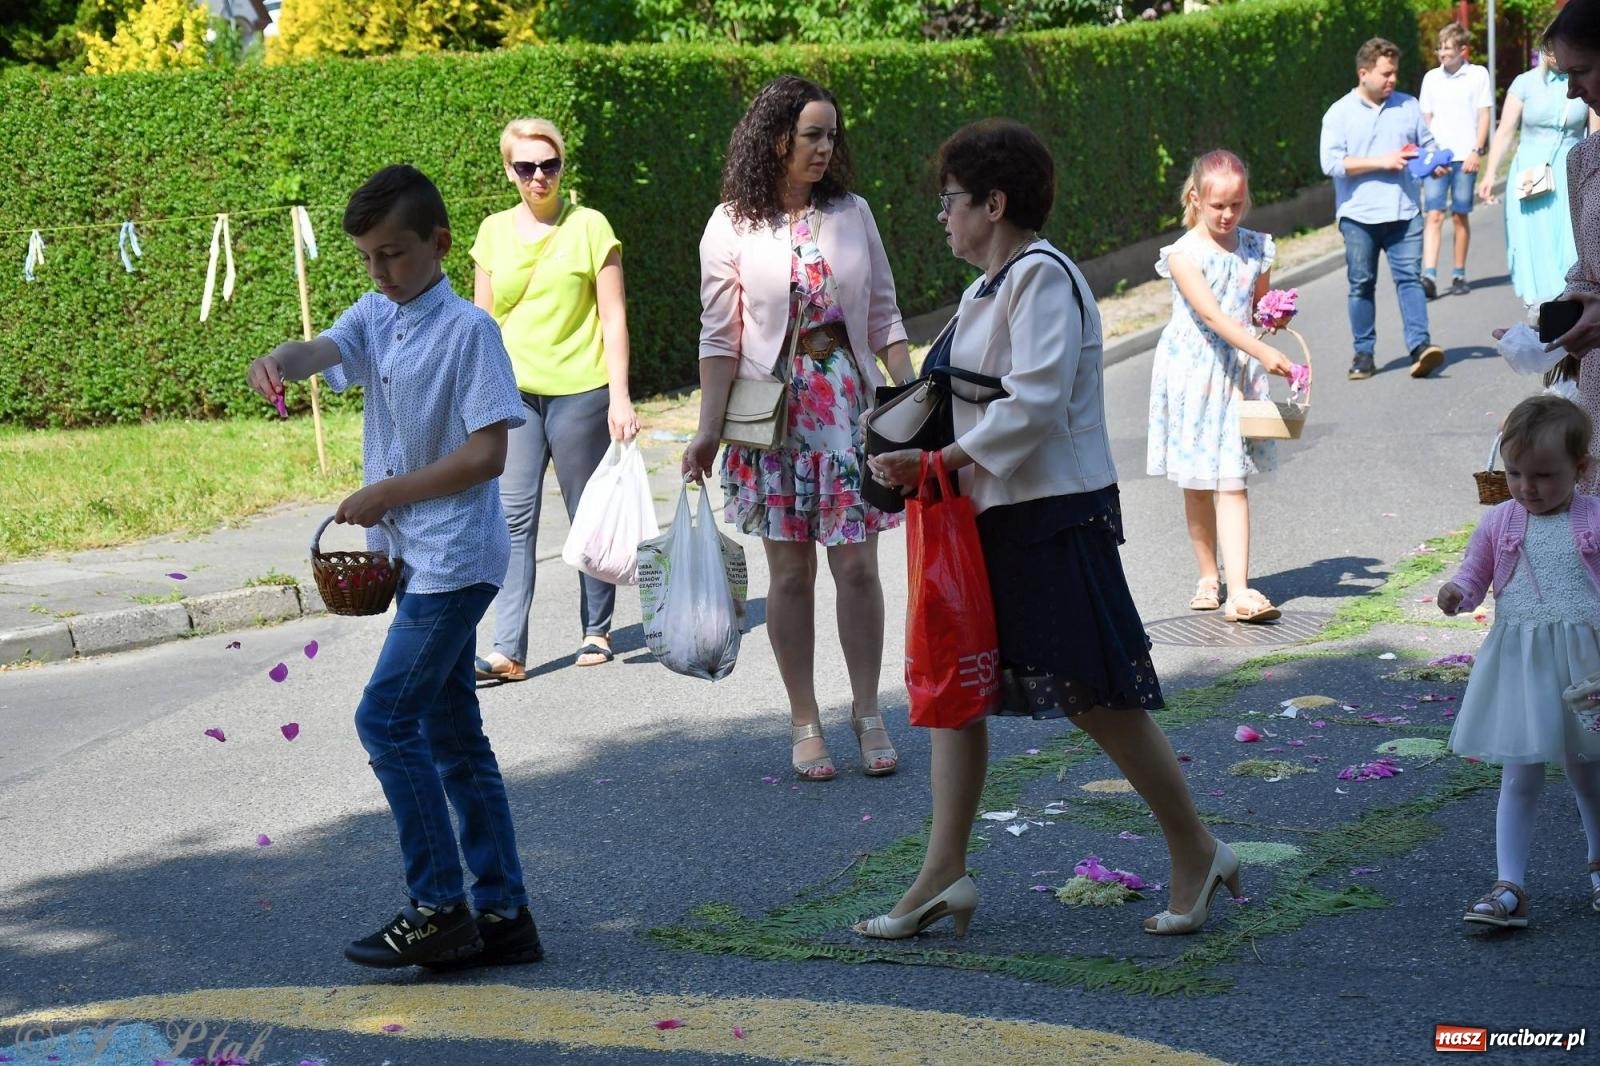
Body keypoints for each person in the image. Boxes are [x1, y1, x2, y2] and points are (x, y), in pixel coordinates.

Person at [859, 120, 1238, 940]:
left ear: (993, 204)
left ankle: (1196, 846)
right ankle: (942, 873)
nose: (943, 217)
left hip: (1048, 518)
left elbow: (1030, 403)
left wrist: (941, 459)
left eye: (951, 202)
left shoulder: (1043, 277)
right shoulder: (989, 287)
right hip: (990, 517)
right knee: (957, 693)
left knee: (1096, 695)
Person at [246, 165, 540, 969]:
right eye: (369, 258)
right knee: (452, 734)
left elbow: (488, 455)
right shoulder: (379, 313)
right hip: (414, 556)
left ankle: (442, 905)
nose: (380, 272)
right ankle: (504, 913)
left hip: (455, 560)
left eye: (395, 255)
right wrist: (279, 359)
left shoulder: (469, 331)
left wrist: (388, 494)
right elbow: (326, 348)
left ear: (439, 244)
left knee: (385, 719)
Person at [682, 75, 914, 782]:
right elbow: (720, 338)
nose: (825, 147)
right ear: (774, 137)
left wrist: (909, 403)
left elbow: (884, 317)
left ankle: (868, 710)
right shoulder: (730, 223)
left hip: (847, 410)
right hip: (773, 419)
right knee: (788, 576)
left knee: (857, 568)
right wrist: (706, 429)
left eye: (831, 135)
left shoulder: (852, 212)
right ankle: (803, 718)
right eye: (812, 134)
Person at [471, 118, 638, 682]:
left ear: (562, 166)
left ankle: (596, 628)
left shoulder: (591, 226)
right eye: (526, 167)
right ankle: (508, 649)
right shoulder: (492, 232)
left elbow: (612, 315)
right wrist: (476, 399)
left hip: (581, 391)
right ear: (509, 171)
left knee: (584, 513)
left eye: (549, 165)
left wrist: (620, 396)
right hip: (513, 395)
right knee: (511, 519)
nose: (539, 176)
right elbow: (482, 324)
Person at [1437, 394, 1600, 928]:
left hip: (1585, 664)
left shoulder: (1593, 518)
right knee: (1520, 773)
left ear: (1581, 470)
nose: (1527, 487)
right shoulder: (1501, 521)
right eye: (1514, 473)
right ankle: (1510, 886)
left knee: (1588, 771)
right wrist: (1458, 593)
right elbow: (1475, 572)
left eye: (1544, 476)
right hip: (1523, 663)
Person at [1146, 149, 1306, 625]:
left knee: (1232, 481)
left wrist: (1275, 316)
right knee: (1197, 483)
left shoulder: (1257, 247)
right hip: (1194, 374)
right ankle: (1206, 574)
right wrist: (1263, 352)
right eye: (1217, 205)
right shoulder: (1182, 255)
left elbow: (1256, 309)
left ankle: (1239, 588)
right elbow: (1213, 316)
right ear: (1195, 199)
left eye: (1236, 204)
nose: (1227, 214)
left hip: (1238, 376)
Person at [1320, 37, 1451, 381]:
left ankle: (1421, 348)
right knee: (1361, 284)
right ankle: (1364, 354)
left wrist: (1434, 162)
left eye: (1395, 73)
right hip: (1358, 216)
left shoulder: (1408, 106)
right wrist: (1382, 161)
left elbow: (1427, 144)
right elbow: (1330, 163)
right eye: (1386, 73)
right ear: (1364, 73)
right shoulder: (1339, 113)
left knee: (1409, 280)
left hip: (1405, 212)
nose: (1392, 79)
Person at [1539, 0, 1600, 495]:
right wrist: (1549, 324)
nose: (1574, 90)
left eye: (1582, 70)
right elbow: (1587, 271)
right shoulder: (1584, 160)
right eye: (1565, 74)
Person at [1477, 50, 1594, 306]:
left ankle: (1568, 302)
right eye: (1549, 49)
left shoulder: (1583, 82)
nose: (1554, 55)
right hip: (1530, 176)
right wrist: (1489, 173)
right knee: (1534, 240)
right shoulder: (1525, 83)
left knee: (1569, 244)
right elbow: (1505, 131)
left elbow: (1595, 133)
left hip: (1569, 172)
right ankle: (1539, 308)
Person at [1419, 23, 1493, 298]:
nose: (1442, 54)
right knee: (1434, 215)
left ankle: (1459, 273)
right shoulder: (1431, 79)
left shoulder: (1477, 75)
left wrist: (1477, 149)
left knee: (1460, 215)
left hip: (1465, 158)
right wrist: (1430, 155)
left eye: (1447, 49)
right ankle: (1428, 275)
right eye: (1440, 48)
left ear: (1463, 50)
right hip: (1437, 159)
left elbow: (1484, 115)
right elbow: (1425, 119)